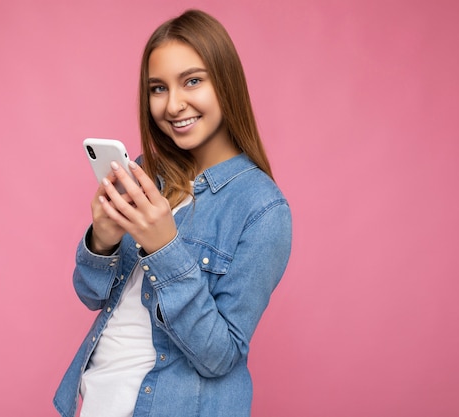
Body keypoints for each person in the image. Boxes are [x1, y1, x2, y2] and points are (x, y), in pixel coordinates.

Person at [54, 9, 292, 417]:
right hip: (98, 401)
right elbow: (90, 295)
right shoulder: (149, 172)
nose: (173, 105)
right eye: (158, 88)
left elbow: (220, 357)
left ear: (226, 83)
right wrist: (102, 239)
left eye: (193, 81)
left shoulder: (263, 210)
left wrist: (164, 247)